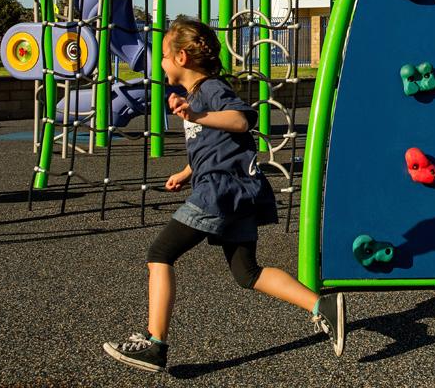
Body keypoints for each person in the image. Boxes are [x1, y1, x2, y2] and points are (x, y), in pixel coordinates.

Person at [103, 19, 345, 373]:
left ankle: (155, 344)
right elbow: (214, 145)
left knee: (160, 253)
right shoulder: (195, 97)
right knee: (247, 273)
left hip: (220, 191)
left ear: (182, 57)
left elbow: (240, 122)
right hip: (236, 192)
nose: (162, 63)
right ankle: (321, 306)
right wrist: (186, 172)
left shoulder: (210, 90)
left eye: (165, 56)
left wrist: (197, 113)